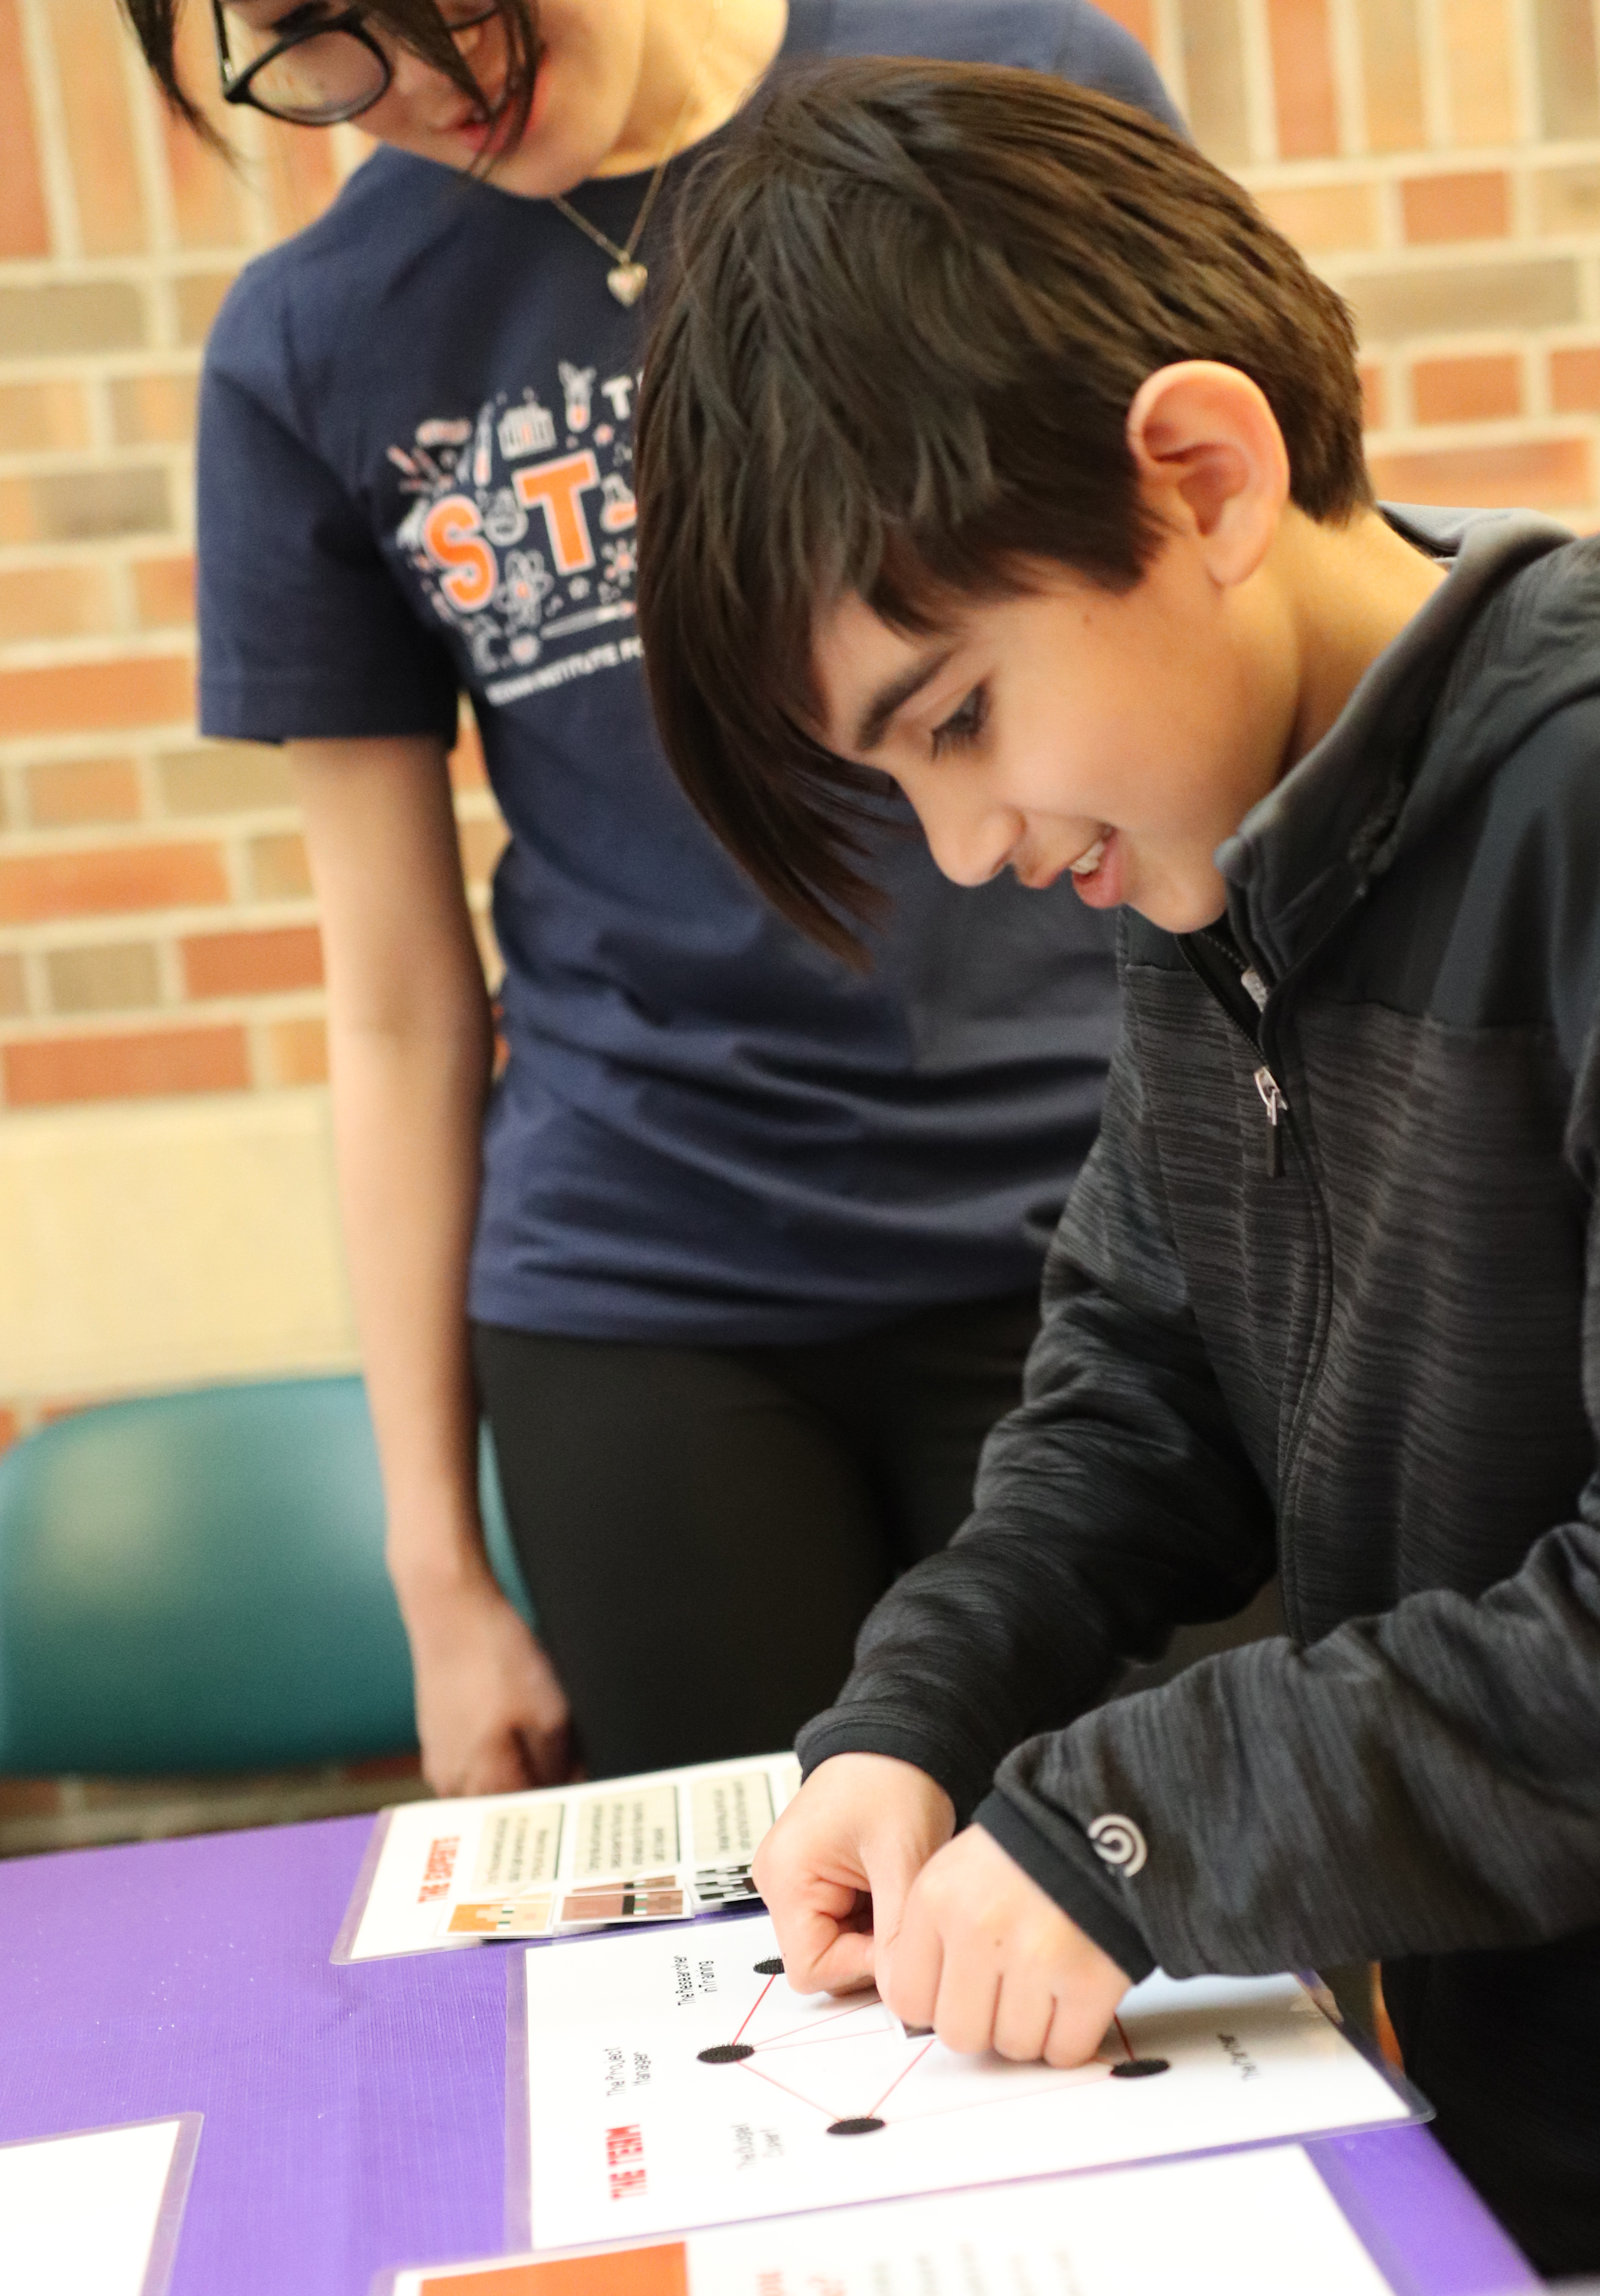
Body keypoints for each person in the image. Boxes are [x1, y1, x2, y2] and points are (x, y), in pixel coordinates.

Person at [634, 59, 1600, 2277]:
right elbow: (1139, 1386)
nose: (970, 851)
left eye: (953, 719)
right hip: (1502, 2128)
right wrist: (922, 1712)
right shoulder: (1219, 850)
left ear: (1197, 474)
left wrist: (1134, 1818)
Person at [116, 0, 1177, 1791]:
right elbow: (390, 1005)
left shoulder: (1014, 90)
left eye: (443, 8)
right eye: (315, 54)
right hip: (645, 1305)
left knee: (1185, 1942)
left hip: (1103, 1240)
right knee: (753, 1988)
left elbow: (1222, 651)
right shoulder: (313, 345)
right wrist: (436, 1575)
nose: (428, 96)